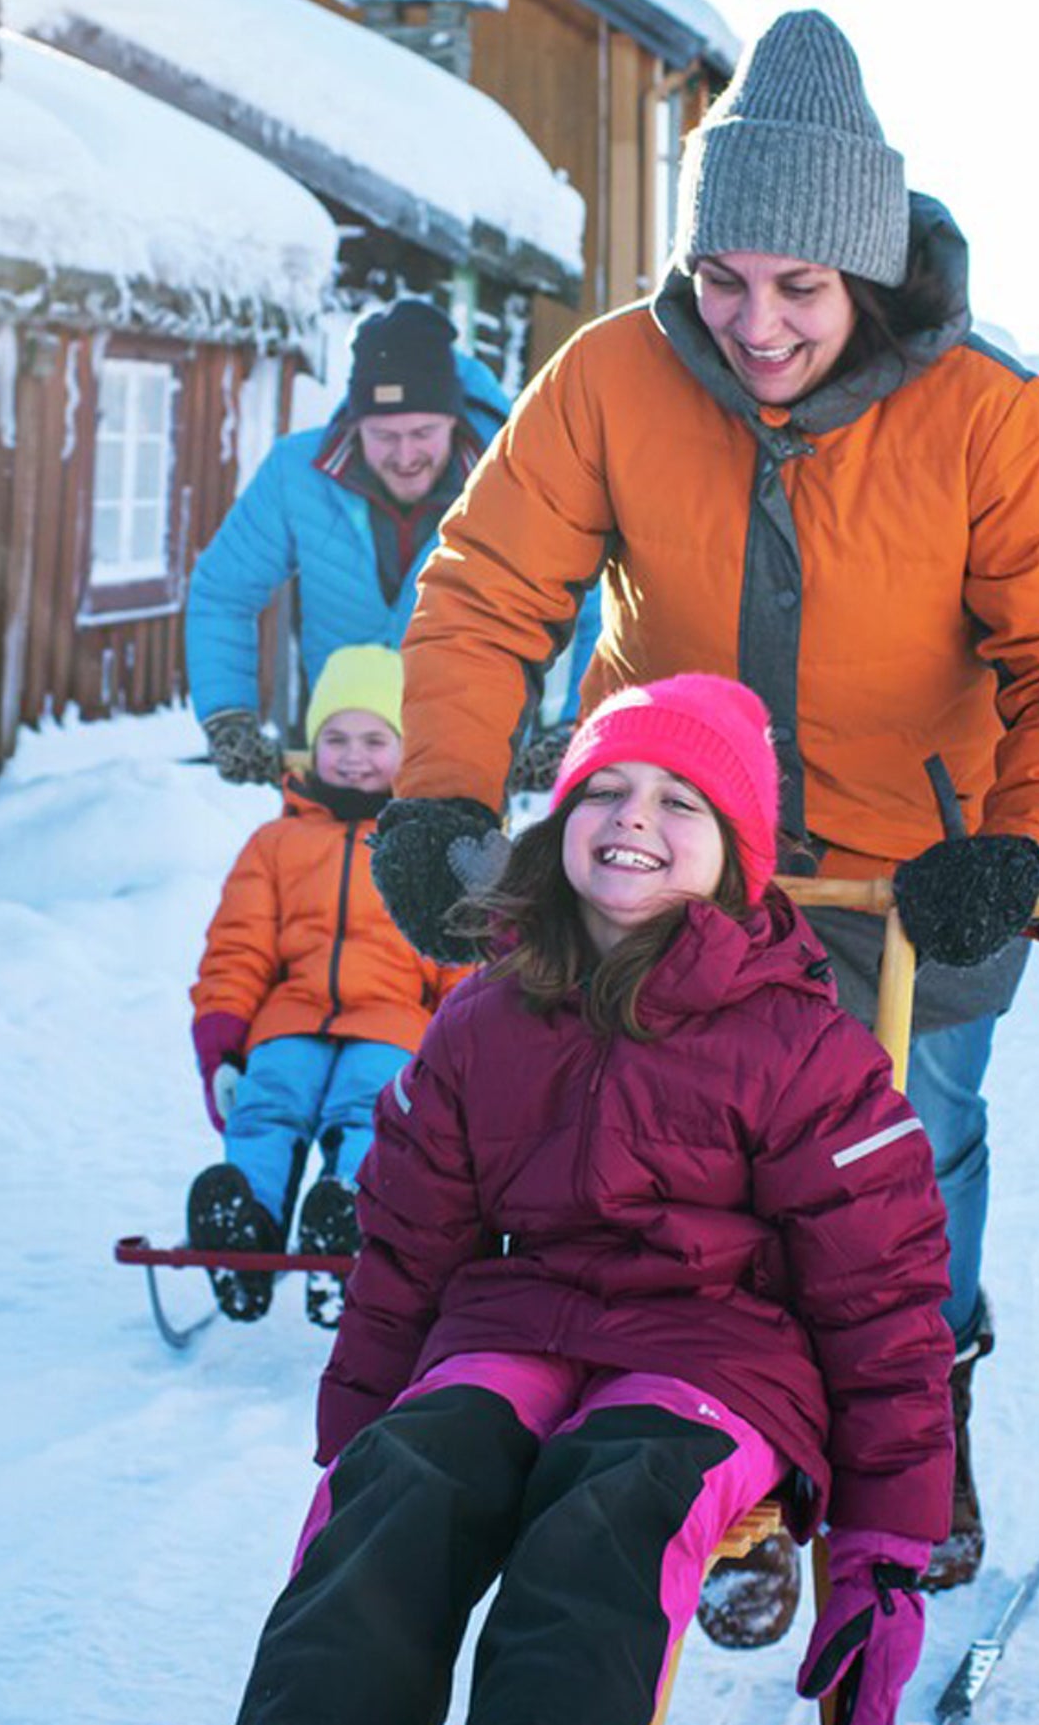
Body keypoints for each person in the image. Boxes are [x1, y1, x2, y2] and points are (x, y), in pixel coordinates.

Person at [369, 7, 1039, 1634]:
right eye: (724, 280)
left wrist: (1022, 851)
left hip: (913, 880)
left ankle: (914, 1437)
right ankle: (697, 1454)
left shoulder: (994, 421)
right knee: (651, 1167)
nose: (756, 324)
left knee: (902, 1161)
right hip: (674, 856)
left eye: (799, 288)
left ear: (865, 272)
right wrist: (449, 789)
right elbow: (486, 588)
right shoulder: (613, 379)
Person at [235, 675, 952, 1725]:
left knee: (610, 1507)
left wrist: (882, 1548)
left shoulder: (803, 1048)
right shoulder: (485, 1019)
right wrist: (358, 1440)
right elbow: (407, 1248)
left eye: (681, 802)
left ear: (739, 855)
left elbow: (882, 1302)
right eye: (605, 789)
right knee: (407, 1483)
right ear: (561, 819)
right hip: (514, 1328)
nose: (634, 820)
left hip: (717, 1360)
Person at [186, 298, 581, 791]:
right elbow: (223, 590)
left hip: (466, 765)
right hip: (342, 764)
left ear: (453, 421)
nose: (406, 455)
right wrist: (229, 716)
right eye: (384, 435)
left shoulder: (518, 483)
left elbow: (596, 615)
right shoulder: (295, 474)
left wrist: (576, 731)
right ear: (354, 424)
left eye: (423, 433)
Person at [185, 645, 459, 1328]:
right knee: (267, 1101)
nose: (354, 755)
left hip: (393, 1025)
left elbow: (459, 962)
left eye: (375, 739)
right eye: (335, 738)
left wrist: (460, 1052)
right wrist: (223, 1042)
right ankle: (244, 1223)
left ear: (407, 749)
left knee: (371, 1107)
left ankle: (347, 1218)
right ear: (312, 746)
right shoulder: (274, 844)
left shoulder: (421, 848)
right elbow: (238, 947)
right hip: (288, 1021)